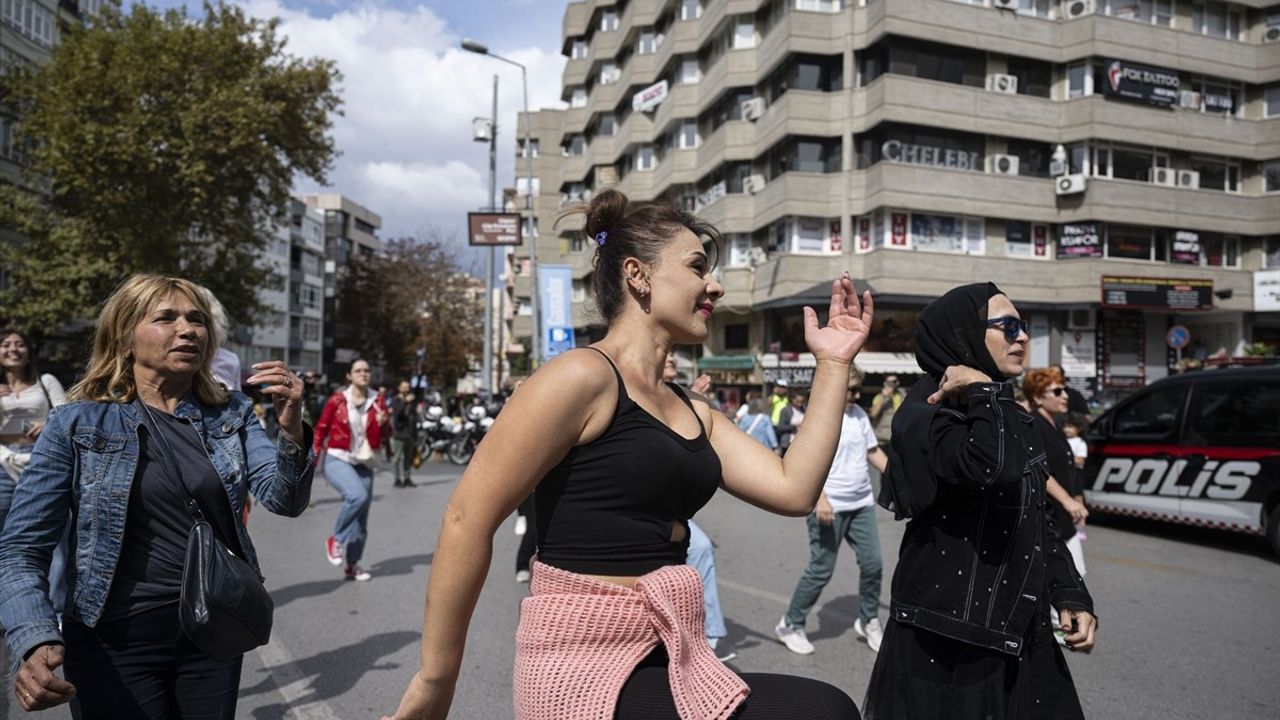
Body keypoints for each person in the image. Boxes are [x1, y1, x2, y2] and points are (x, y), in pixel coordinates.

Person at [383, 189, 873, 720]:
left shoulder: (694, 407)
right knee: (822, 711)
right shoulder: (579, 377)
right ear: (637, 276)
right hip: (582, 670)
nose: (715, 285)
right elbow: (465, 520)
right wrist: (435, 680)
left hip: (672, 652)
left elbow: (793, 488)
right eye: (697, 267)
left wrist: (833, 363)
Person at [0, 274, 314, 718]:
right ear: (124, 336)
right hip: (111, 641)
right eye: (166, 317)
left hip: (213, 627)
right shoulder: (77, 422)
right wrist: (32, 637)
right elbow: (20, 548)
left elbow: (284, 498)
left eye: (197, 320)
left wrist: (291, 430)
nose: (188, 330)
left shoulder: (232, 413)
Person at [868, 282, 1096, 720]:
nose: (1023, 337)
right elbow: (993, 470)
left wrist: (1069, 592)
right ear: (962, 335)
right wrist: (983, 391)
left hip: (1016, 631)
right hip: (950, 644)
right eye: (1008, 326)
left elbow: (1035, 519)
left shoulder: (1008, 417)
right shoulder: (930, 415)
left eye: (1023, 326)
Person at [776, 378, 888, 655]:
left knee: (873, 564)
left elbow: (871, 451)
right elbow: (801, 461)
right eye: (851, 388)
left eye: (859, 388)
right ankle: (790, 624)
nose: (857, 394)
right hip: (830, 504)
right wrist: (820, 498)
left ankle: (869, 619)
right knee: (821, 569)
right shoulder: (817, 417)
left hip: (861, 502)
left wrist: (899, 475)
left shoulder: (859, 414)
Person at [0, 329, 71, 617]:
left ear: (29, 351)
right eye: (6, 344)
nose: (13, 349)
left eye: (19, 344)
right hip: (3, 462)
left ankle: (52, 610)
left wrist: (48, 425)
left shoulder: (46, 381)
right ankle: (10, 607)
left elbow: (67, 415)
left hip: (41, 461)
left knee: (53, 539)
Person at [315, 358, 389, 582]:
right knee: (357, 496)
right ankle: (335, 539)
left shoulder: (378, 401)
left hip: (365, 462)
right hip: (338, 459)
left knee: (360, 519)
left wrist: (384, 423)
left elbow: (385, 436)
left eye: (367, 370)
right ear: (349, 375)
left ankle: (352, 564)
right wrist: (311, 461)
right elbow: (320, 430)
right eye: (358, 370)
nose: (364, 374)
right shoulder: (337, 400)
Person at [1023, 368, 1088, 580]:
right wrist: (1068, 501)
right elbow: (1039, 469)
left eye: (1065, 390)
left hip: (1063, 520)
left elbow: (1068, 468)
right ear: (1038, 397)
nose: (1065, 396)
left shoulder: (1056, 424)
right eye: (1057, 392)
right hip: (1048, 519)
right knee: (1062, 588)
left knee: (1075, 580)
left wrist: (1076, 500)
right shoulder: (1033, 425)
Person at [389, 380, 419, 488]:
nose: (407, 389)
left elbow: (414, 415)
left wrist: (415, 433)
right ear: (399, 388)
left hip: (410, 433)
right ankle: (397, 479)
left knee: (408, 458)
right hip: (399, 433)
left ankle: (407, 478)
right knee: (396, 458)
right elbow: (397, 414)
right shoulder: (396, 400)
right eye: (404, 387)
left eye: (408, 387)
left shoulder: (412, 400)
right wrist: (405, 401)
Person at [867, 375, 903, 448]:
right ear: (885, 383)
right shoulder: (879, 397)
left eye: (894, 382)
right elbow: (873, 414)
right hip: (881, 441)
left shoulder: (901, 396)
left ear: (898, 383)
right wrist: (883, 396)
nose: (891, 384)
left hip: (897, 440)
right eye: (889, 382)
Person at [775, 391, 807, 455]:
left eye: (802, 402)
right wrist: (794, 427)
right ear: (792, 400)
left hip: (802, 442)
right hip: (788, 443)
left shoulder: (804, 410)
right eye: (797, 401)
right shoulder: (785, 411)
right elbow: (780, 427)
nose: (800, 404)